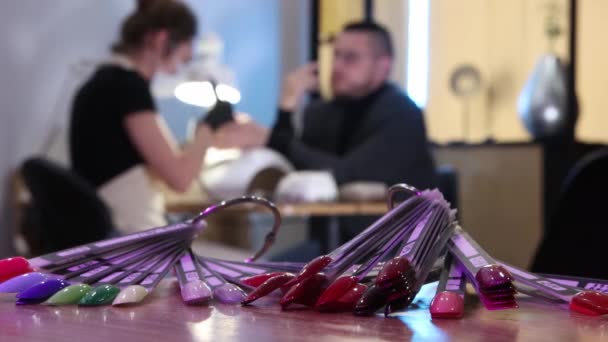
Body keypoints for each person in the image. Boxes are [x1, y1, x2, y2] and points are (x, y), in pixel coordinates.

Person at [217, 21, 437, 251]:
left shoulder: (402, 115)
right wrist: (287, 106)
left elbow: (345, 173)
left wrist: (270, 138)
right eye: (336, 56)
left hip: (394, 250)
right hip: (333, 248)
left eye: (351, 58)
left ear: (383, 66)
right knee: (261, 275)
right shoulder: (322, 112)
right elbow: (298, 169)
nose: (337, 66)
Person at [69, 0, 214, 233]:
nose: (180, 67)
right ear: (160, 40)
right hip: (129, 236)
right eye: (181, 58)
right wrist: (209, 127)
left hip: (111, 230)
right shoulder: (127, 87)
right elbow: (180, 178)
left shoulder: (101, 83)